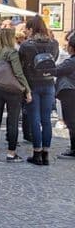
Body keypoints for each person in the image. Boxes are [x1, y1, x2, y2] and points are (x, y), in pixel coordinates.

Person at [19, 16, 59, 165]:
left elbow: (22, 67)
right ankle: (46, 154)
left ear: (31, 29)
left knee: (34, 119)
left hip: (32, 84)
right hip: (48, 83)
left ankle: (36, 153)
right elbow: (53, 59)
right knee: (46, 120)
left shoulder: (26, 46)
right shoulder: (54, 43)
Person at [0, 28, 32, 162]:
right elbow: (18, 73)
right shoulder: (12, 52)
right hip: (12, 90)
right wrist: (27, 90)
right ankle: (11, 153)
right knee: (12, 122)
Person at [53, 32, 75, 160]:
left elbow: (57, 70)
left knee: (71, 122)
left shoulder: (71, 62)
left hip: (70, 93)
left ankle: (73, 149)